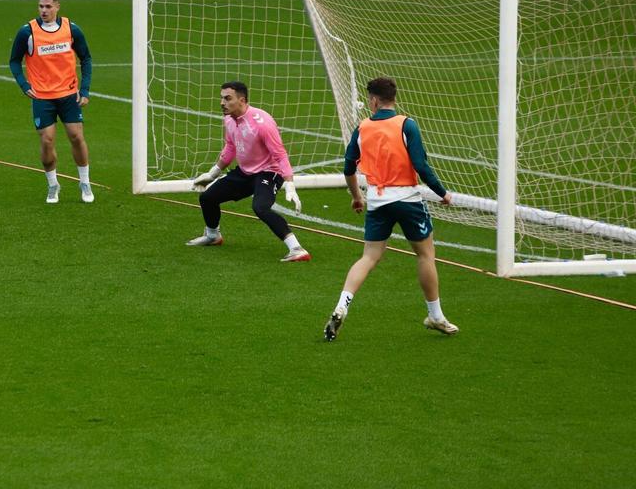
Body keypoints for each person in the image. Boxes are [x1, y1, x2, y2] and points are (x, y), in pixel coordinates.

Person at [323, 76, 458, 342]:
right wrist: (443, 193)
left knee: (369, 257)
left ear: (373, 100)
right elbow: (421, 165)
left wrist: (356, 197)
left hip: (377, 200)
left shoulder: (362, 128)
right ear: (393, 98)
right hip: (407, 199)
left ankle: (342, 304)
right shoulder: (407, 124)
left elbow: (348, 168)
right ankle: (435, 315)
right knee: (425, 255)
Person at [188, 81, 309, 261]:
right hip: (245, 172)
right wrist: (213, 173)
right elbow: (230, 147)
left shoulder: (262, 123)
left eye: (228, 98)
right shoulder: (229, 119)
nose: (222, 103)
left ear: (242, 100)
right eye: (221, 98)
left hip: (269, 172)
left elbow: (280, 154)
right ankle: (213, 236)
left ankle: (297, 249)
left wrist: (290, 184)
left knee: (260, 207)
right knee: (207, 197)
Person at [8, 0, 94, 204]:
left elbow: (86, 59)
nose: (44, 10)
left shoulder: (71, 29)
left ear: (57, 6)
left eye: (48, 6)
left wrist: (84, 90)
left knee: (76, 136)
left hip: (68, 94)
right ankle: (53, 184)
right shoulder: (27, 32)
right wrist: (23, 84)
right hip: (42, 96)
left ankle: (84, 181)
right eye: (40, 6)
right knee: (47, 140)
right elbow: (14, 61)